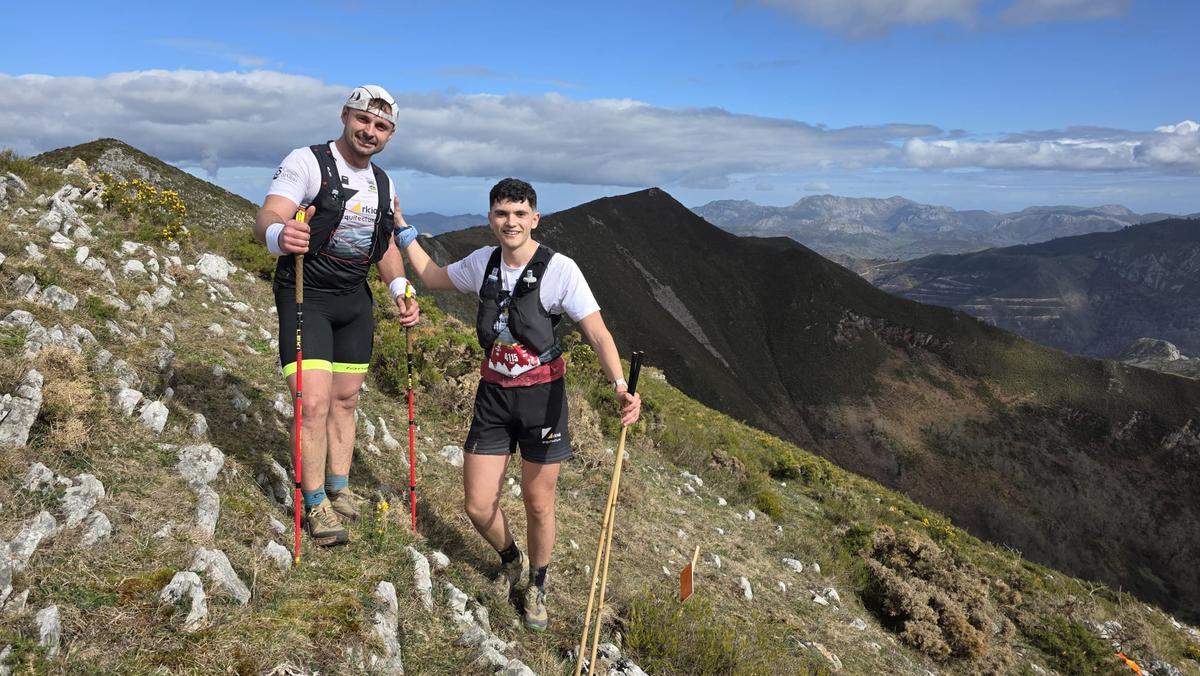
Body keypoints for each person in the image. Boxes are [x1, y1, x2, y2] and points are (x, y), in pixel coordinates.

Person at [395, 178, 641, 631]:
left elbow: (597, 332)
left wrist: (620, 385)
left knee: (537, 502)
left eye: (520, 213)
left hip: (542, 398)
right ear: (491, 219)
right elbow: (431, 276)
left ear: (535, 219)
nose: (511, 222)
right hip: (493, 395)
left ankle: (538, 585)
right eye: (502, 213)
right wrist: (403, 230)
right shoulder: (482, 263)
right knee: (477, 504)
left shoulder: (560, 269)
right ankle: (511, 558)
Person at [254, 84, 420, 546]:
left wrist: (399, 287)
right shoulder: (306, 162)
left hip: (354, 300)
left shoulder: (384, 183)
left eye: (381, 126)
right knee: (312, 404)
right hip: (305, 295)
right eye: (363, 119)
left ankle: (338, 486)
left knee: (346, 401)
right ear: (345, 115)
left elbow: (385, 244)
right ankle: (314, 503)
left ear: (390, 134)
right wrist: (279, 236)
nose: (370, 131)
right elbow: (269, 215)